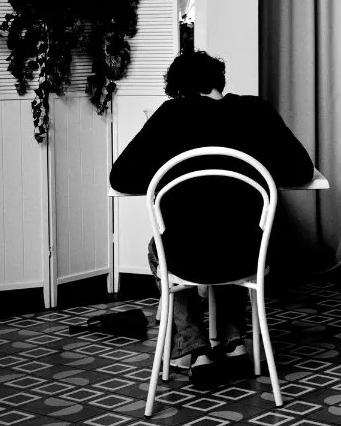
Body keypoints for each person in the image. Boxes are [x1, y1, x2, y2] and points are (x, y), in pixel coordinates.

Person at [109, 50, 315, 383]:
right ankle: (235, 345)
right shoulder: (256, 111)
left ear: (180, 91)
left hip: (187, 257)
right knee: (232, 227)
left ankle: (196, 350)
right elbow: (302, 170)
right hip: (247, 255)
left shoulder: (171, 114)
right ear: (219, 82)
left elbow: (120, 177)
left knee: (161, 246)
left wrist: (169, 172)